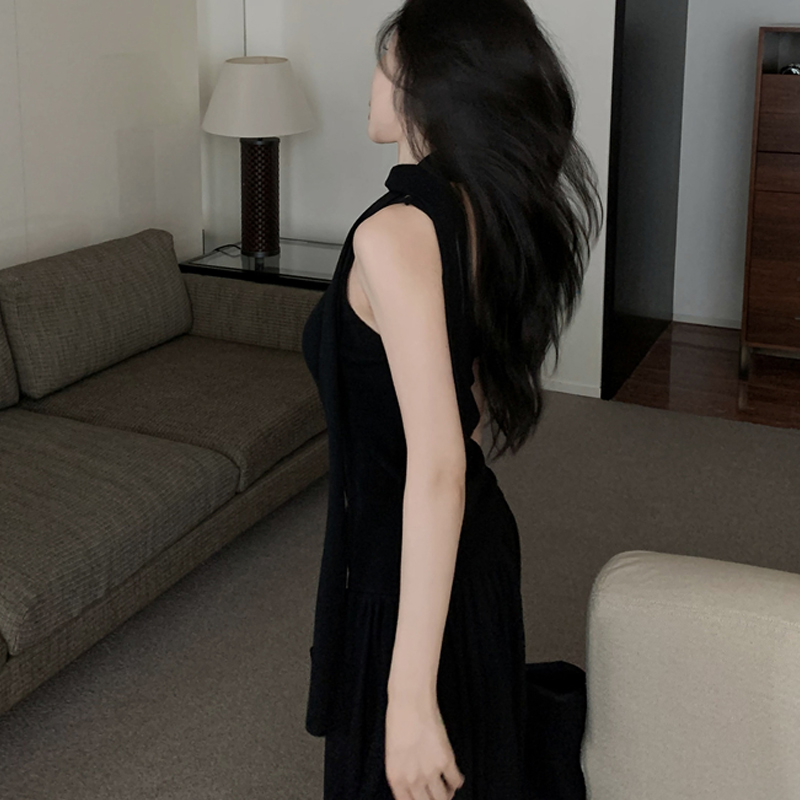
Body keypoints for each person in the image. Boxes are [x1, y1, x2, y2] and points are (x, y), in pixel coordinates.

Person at [301, 2, 604, 798]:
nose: (372, 82)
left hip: (409, 560)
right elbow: (457, 394)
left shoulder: (394, 234)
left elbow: (437, 466)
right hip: (467, 546)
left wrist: (407, 696)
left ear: (427, 85)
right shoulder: (476, 206)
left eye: (386, 62)